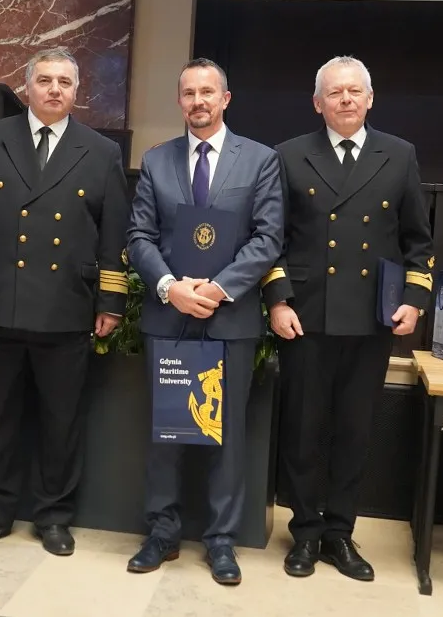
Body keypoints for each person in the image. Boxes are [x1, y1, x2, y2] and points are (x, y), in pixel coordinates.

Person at [0, 47, 129, 556]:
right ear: (27, 86)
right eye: (44, 80)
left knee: (61, 421)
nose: (54, 90)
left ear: (77, 91)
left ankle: (54, 516)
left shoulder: (101, 151)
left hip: (67, 307)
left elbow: (114, 231)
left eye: (64, 82)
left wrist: (111, 298)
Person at [266, 55, 434, 581]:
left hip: (369, 318)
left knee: (354, 431)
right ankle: (304, 532)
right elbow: (271, 238)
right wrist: (278, 300)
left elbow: (418, 241)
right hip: (306, 316)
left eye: (354, 91)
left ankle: (339, 533)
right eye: (335, 93)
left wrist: (414, 298)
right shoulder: (289, 155)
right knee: (302, 431)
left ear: (370, 99)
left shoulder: (399, 155)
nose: (345, 100)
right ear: (318, 103)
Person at [124, 57, 284, 585]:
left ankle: (221, 540)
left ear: (225, 99)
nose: (198, 101)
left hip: (229, 318)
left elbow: (268, 237)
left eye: (208, 92)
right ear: (179, 101)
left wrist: (217, 289)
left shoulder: (259, 160)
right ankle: (162, 532)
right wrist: (171, 288)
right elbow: (139, 237)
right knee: (165, 432)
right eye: (189, 93)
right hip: (168, 316)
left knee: (226, 435)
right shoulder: (156, 161)